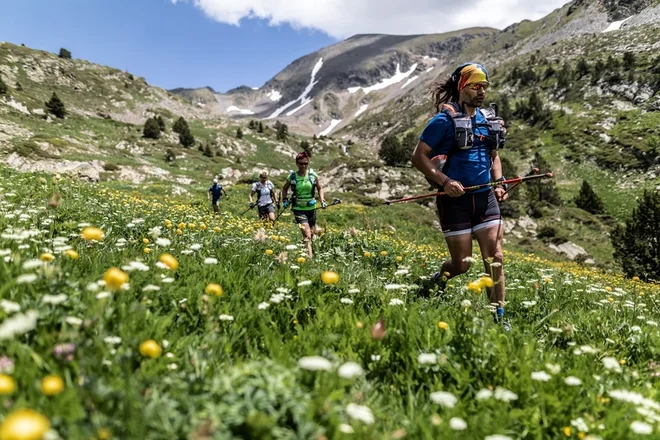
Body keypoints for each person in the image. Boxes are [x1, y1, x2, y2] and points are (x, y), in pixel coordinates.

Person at [411, 62, 510, 330]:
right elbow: (418, 156)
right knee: (462, 264)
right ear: (461, 87)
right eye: (476, 85)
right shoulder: (443, 120)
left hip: (484, 197)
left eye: (485, 86)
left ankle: (499, 318)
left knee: (495, 257)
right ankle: (437, 280)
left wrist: (499, 182)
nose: (482, 91)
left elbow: (494, 156)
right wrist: (445, 181)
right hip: (453, 200)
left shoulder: (488, 120)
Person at [282, 152, 327, 259]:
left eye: (306, 163)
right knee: (307, 234)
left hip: (311, 208)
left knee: (311, 234)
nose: (303, 166)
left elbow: (320, 188)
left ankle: (305, 251)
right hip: (298, 209)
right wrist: (284, 199)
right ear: (297, 164)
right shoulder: (292, 176)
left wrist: (322, 200)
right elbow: (284, 189)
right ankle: (309, 259)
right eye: (301, 163)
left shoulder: (312, 175)